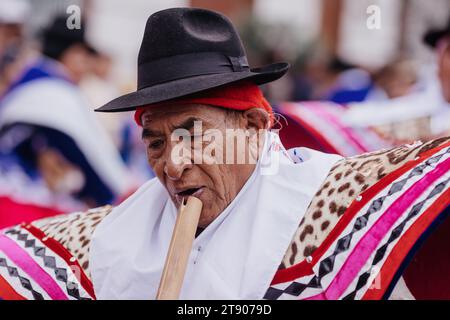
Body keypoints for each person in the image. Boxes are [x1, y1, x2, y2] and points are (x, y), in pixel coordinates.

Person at [0, 8, 448, 300]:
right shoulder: (119, 236)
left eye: (194, 135)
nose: (172, 165)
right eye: (156, 143)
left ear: (253, 127)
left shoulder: (331, 205)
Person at [0, 15, 133, 226]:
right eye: (84, 57)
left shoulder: (28, 83)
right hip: (19, 203)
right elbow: (84, 155)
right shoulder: (54, 92)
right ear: (73, 54)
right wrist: (114, 200)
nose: (87, 66)